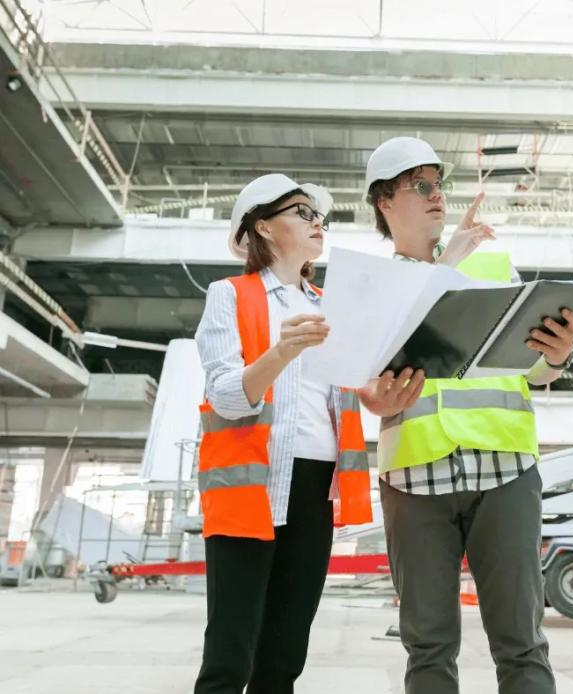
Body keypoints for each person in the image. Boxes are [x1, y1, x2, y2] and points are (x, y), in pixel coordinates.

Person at [359, 137, 573, 694]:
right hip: (414, 481)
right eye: (421, 186)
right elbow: (362, 378)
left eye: (440, 185)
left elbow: (530, 370)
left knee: (522, 644)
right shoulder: (372, 286)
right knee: (428, 648)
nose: (437, 197)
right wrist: (372, 400)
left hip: (504, 473)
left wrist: (554, 358)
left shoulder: (493, 263)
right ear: (385, 200)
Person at [192, 173, 422, 694]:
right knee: (230, 652)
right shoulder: (229, 295)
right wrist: (281, 352)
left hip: (315, 488)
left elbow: (351, 391)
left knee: (285, 654)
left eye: (320, 216)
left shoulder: (329, 303)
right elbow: (226, 396)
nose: (318, 223)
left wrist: (379, 395)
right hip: (248, 490)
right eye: (302, 212)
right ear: (265, 228)